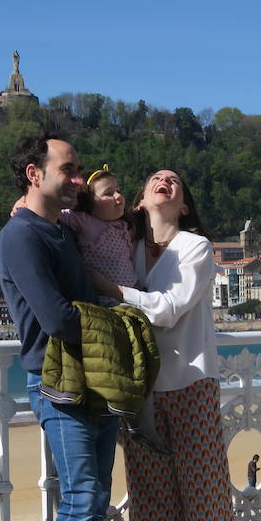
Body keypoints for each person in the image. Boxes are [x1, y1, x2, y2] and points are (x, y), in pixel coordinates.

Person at [0, 133, 147, 521]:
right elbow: (59, 318)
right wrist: (120, 325)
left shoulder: (57, 229)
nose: (79, 177)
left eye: (81, 168)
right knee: (82, 503)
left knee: (94, 500)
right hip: (56, 383)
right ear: (35, 174)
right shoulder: (20, 236)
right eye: (70, 168)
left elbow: (88, 282)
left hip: (91, 379)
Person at [93, 170, 247, 521]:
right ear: (140, 200)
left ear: (182, 205)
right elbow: (81, 219)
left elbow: (168, 308)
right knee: (152, 507)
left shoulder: (195, 247)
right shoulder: (126, 248)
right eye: (156, 179)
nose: (166, 181)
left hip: (192, 384)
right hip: (140, 389)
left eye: (176, 181)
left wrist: (115, 291)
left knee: (206, 503)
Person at [61, 165, 168, 454]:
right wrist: (22, 205)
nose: (118, 196)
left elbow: (144, 215)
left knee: (142, 361)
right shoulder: (83, 221)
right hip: (107, 305)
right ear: (90, 202)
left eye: (119, 190)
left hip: (130, 302)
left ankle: (138, 420)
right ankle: (130, 417)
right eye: (108, 193)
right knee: (123, 362)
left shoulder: (125, 224)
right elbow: (55, 213)